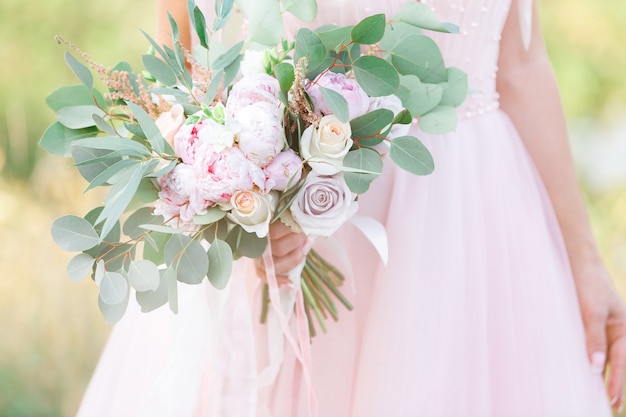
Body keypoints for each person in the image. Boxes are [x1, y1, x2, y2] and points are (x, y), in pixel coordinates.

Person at [76, 0, 626, 416]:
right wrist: (230, 192)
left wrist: (584, 260)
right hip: (288, 217)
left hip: (472, 237)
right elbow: (184, 47)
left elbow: (522, 65)